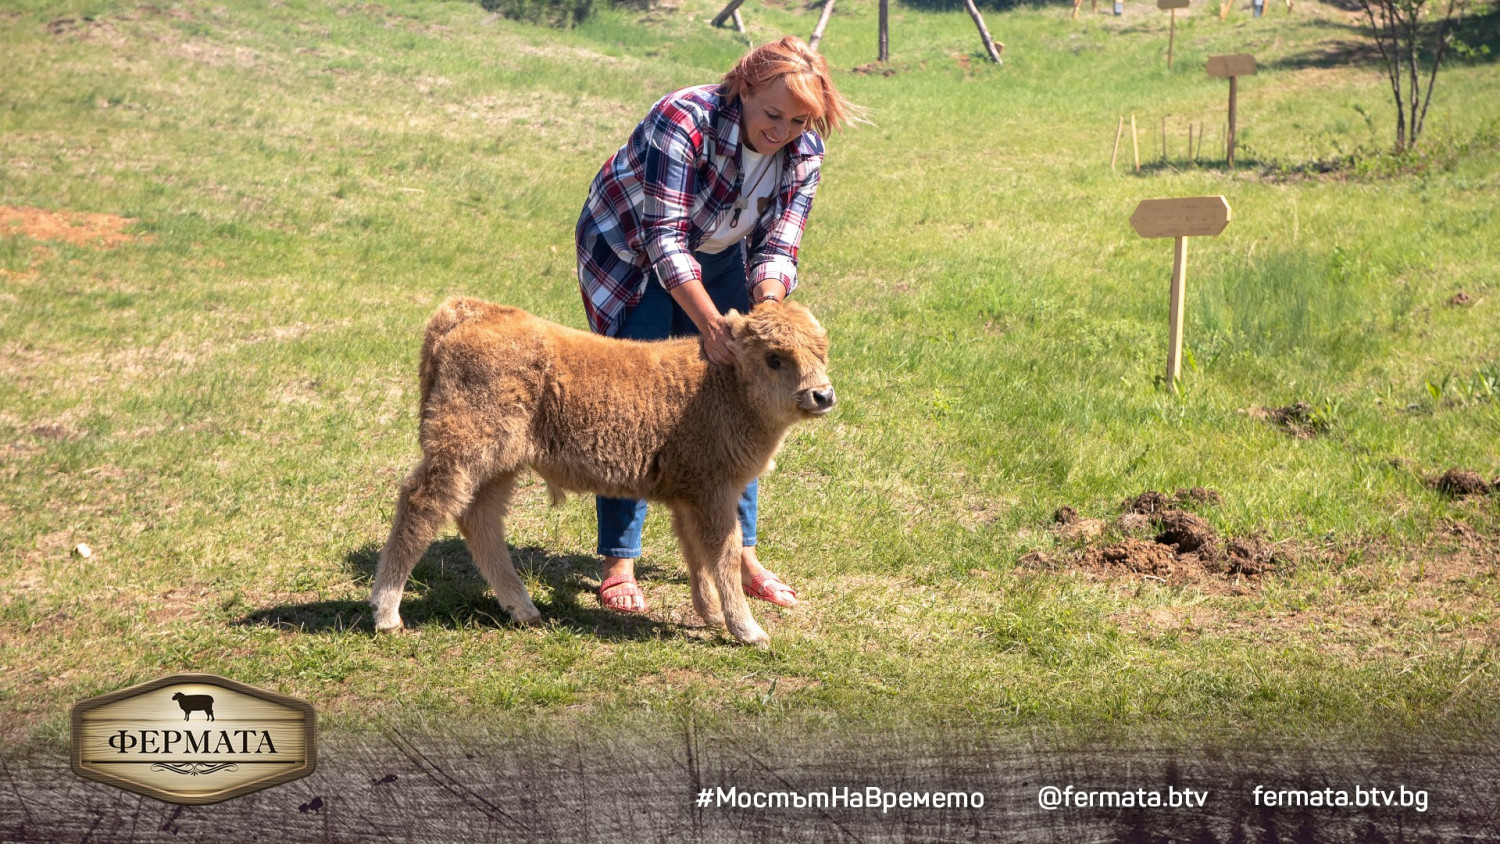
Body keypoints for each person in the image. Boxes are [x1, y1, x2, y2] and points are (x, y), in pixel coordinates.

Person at [574, 36, 860, 614]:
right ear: (744, 88)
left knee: (743, 398)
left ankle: (741, 555)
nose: (783, 130)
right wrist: (712, 326)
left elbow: (780, 242)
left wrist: (768, 307)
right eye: (773, 114)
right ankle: (619, 562)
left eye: (800, 119)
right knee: (630, 401)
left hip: (720, 250)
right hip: (630, 252)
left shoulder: (804, 150)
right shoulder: (683, 119)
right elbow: (665, 241)